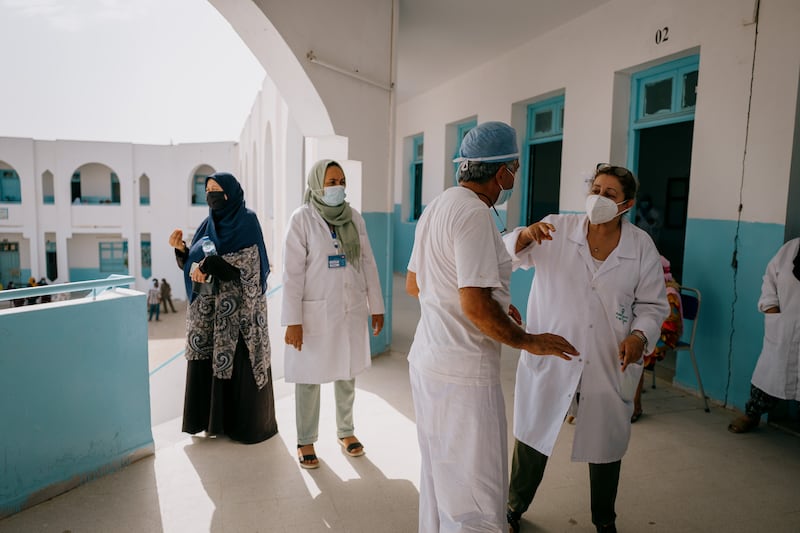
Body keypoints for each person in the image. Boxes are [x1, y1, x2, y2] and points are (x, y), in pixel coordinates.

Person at [405, 121, 579, 532]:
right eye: (514, 168)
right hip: (462, 373)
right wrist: (528, 341)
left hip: (428, 361)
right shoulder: (474, 214)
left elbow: (417, 283)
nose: (513, 177)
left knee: (440, 476)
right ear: (501, 172)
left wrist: (498, 304)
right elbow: (474, 304)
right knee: (476, 493)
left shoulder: (439, 204)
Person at [503, 164, 669, 533]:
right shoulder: (556, 228)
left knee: (607, 441)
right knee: (533, 434)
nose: (599, 198)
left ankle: (604, 521)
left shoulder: (640, 246)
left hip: (608, 357)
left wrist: (639, 337)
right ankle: (513, 508)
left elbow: (654, 305)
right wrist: (524, 235)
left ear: (626, 204)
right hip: (553, 353)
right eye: (596, 189)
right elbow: (504, 257)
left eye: (609, 194)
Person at [282, 159, 385, 469]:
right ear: (317, 184)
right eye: (330, 181)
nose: (337, 186)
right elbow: (291, 274)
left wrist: (376, 306)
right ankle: (306, 440)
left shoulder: (354, 217)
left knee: (346, 371)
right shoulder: (302, 219)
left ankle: (346, 432)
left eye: (341, 180)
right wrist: (293, 321)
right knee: (309, 378)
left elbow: (367, 262)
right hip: (314, 312)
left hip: (349, 309)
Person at [168, 172, 278, 444]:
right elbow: (194, 265)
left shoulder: (248, 221)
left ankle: (245, 427)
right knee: (210, 365)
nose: (212, 196)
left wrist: (213, 265)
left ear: (232, 193)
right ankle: (213, 422)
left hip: (240, 318)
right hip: (209, 316)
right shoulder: (208, 225)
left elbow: (251, 272)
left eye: (217, 190)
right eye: (208, 191)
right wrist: (182, 250)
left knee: (241, 366)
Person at [728, 237, 800, 433]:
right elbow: (769, 279)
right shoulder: (790, 249)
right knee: (768, 375)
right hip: (784, 329)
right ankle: (752, 415)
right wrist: (771, 309)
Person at [631, 256, 683, 422]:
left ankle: (635, 405)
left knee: (635, 352)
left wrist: (642, 335)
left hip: (665, 338)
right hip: (653, 333)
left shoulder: (670, 294)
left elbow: (670, 326)